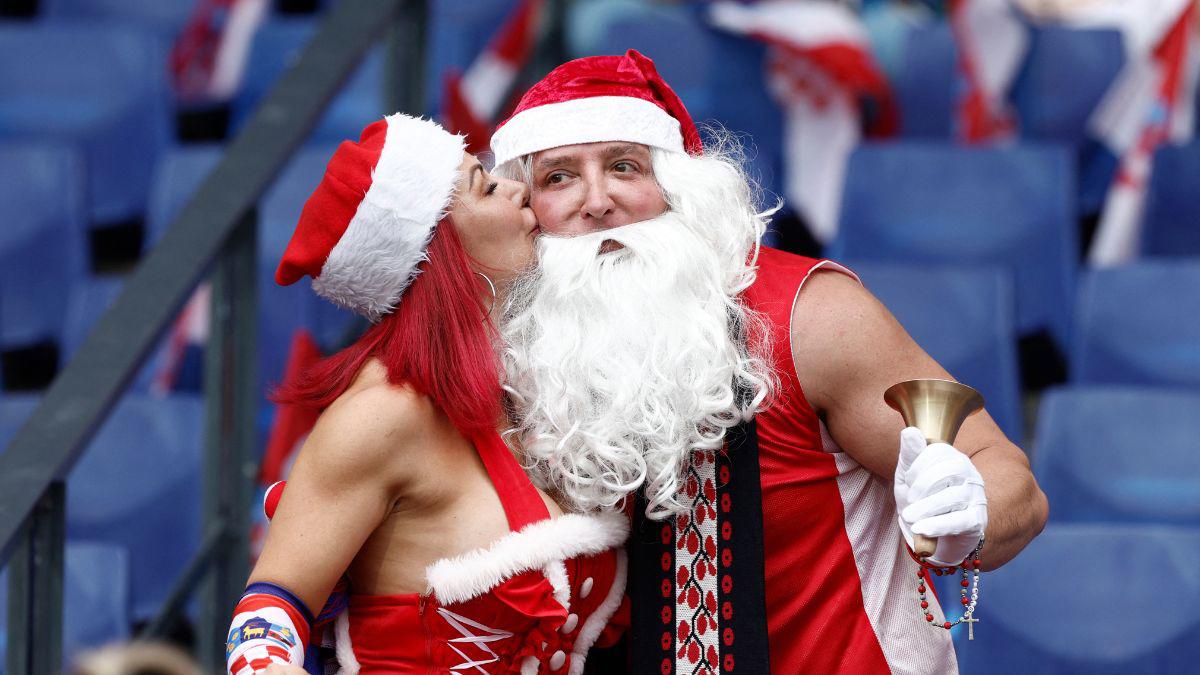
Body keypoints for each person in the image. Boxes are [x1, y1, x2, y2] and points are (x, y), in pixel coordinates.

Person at [493, 50, 1049, 673]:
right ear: (525, 207)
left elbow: (1009, 481)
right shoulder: (512, 344)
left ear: (680, 188)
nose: (597, 202)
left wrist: (967, 519)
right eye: (559, 177)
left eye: (625, 166)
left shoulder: (808, 315)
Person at [225, 114, 629, 675]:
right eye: (486, 187)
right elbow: (268, 611)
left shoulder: (528, 388)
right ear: (435, 249)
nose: (517, 190)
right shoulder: (382, 413)